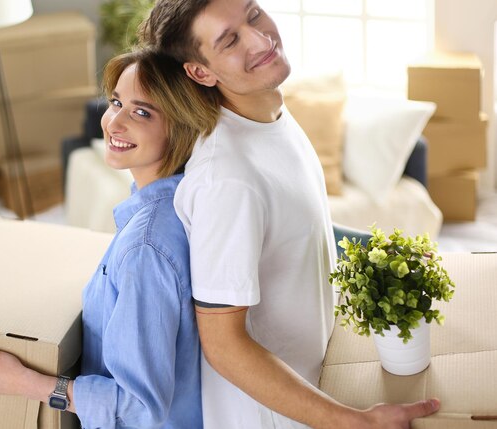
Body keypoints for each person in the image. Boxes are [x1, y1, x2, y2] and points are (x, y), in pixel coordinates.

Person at [140, 1, 441, 428]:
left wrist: (382, 253)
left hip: (313, 386)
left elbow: (298, 229)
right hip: (271, 418)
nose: (262, 38)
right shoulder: (227, 179)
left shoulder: (270, 114)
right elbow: (223, 345)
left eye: (254, 13)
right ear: (201, 72)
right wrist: (354, 422)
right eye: (230, 40)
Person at [0, 48, 221, 429]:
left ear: (179, 126)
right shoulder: (164, 210)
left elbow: (140, 406)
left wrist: (24, 382)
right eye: (116, 102)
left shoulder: (148, 246)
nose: (114, 122)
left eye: (141, 112)